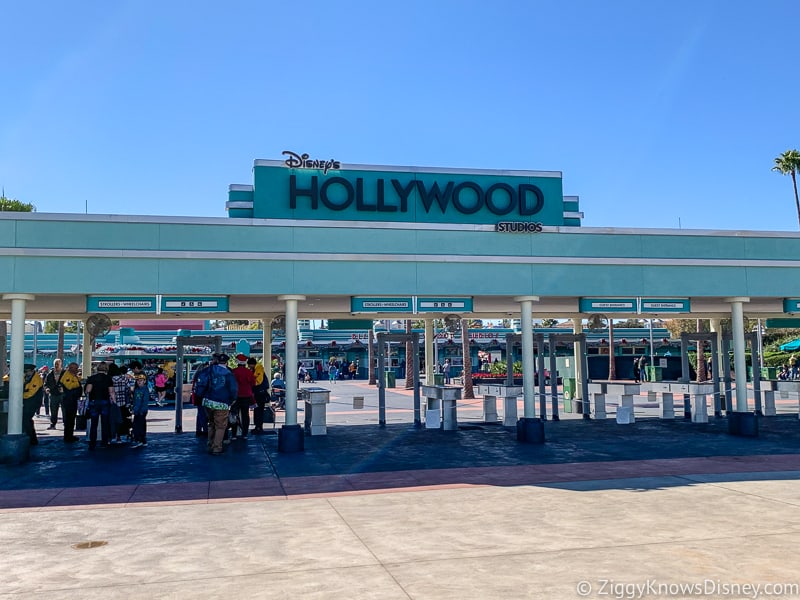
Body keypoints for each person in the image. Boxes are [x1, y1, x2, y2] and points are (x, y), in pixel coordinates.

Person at [199, 353, 238, 456]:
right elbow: (233, 389)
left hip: (208, 401)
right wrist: (233, 399)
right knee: (220, 426)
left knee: (211, 423)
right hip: (222, 402)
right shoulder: (228, 373)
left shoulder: (209, 370)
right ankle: (217, 447)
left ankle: (210, 443)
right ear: (227, 362)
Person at [84, 362, 116, 450]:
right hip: (105, 402)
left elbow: (88, 390)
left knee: (94, 423)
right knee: (105, 423)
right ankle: (104, 442)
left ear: (97, 369)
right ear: (106, 369)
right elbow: (111, 392)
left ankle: (92, 443)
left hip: (94, 402)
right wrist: (114, 401)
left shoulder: (92, 378)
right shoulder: (108, 379)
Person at [231, 354, 255, 440]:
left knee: (234, 415)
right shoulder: (249, 372)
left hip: (235, 396)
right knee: (245, 415)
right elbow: (253, 383)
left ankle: (234, 434)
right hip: (246, 396)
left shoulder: (233, 371)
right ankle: (245, 434)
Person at [59, 362, 83, 443]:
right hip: (68, 400)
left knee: (71, 418)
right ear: (70, 368)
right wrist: (77, 387)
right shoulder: (67, 376)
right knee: (69, 418)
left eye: (76, 368)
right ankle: (68, 436)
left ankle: (70, 435)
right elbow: (69, 386)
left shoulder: (73, 376)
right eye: (75, 368)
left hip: (72, 399)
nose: (76, 370)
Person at [22, 364, 44, 446]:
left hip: (33, 402)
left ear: (31, 371)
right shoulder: (27, 377)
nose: (25, 373)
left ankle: (32, 439)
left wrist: (19, 395)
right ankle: (32, 439)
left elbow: (31, 393)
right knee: (27, 420)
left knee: (26, 419)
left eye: (26, 371)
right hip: (28, 402)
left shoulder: (36, 379)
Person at [249, 357, 271, 433]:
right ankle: (258, 426)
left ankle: (258, 427)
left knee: (258, 410)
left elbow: (258, 381)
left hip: (259, 394)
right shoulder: (257, 369)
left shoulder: (258, 368)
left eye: (249, 365)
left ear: (252, 364)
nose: (249, 367)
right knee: (258, 410)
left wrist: (251, 383)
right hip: (259, 393)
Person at [43, 358, 65, 430]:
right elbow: (46, 384)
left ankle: (66, 423)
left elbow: (69, 383)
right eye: (55, 364)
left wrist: (64, 389)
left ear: (61, 364)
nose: (56, 365)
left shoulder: (65, 373)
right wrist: (47, 388)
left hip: (63, 394)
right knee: (53, 409)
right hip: (53, 394)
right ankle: (53, 424)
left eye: (58, 364)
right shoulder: (50, 374)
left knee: (64, 409)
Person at [130, 374, 150, 448]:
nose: (139, 382)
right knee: (137, 425)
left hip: (142, 411)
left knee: (140, 426)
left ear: (144, 381)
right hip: (137, 411)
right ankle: (140, 440)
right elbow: (135, 401)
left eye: (141, 380)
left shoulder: (145, 389)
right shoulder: (136, 389)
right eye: (138, 380)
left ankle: (141, 440)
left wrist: (141, 410)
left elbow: (144, 401)